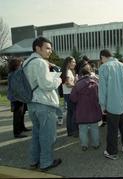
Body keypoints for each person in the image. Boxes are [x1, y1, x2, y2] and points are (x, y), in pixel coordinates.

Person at [23, 37, 62, 171]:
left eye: (50, 48)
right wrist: (59, 79)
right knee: (47, 136)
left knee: (37, 134)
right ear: (37, 48)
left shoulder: (27, 62)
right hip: (44, 103)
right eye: (47, 48)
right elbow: (46, 85)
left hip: (32, 103)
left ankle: (34, 161)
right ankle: (46, 162)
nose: (50, 51)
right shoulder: (40, 62)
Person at [99, 49, 123, 160]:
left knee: (112, 130)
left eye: (101, 59)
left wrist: (102, 105)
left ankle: (112, 152)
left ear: (103, 57)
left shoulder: (104, 67)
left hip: (112, 105)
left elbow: (102, 89)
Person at [70, 63, 102, 151]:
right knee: (94, 127)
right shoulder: (95, 83)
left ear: (81, 74)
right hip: (93, 108)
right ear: (90, 73)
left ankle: (84, 145)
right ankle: (96, 144)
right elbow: (99, 97)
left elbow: (73, 98)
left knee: (82, 129)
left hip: (81, 110)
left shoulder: (77, 84)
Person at [7, 57, 31, 138]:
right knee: (17, 115)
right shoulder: (15, 73)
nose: (21, 64)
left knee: (21, 113)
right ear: (16, 64)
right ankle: (17, 132)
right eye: (20, 63)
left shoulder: (13, 72)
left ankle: (22, 127)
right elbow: (17, 87)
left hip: (18, 97)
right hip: (17, 98)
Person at [60, 56, 78, 137]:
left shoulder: (69, 71)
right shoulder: (67, 71)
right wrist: (77, 86)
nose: (75, 63)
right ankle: (74, 131)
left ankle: (70, 131)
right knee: (73, 113)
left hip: (69, 94)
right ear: (68, 62)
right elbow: (68, 84)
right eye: (73, 62)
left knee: (70, 113)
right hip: (69, 94)